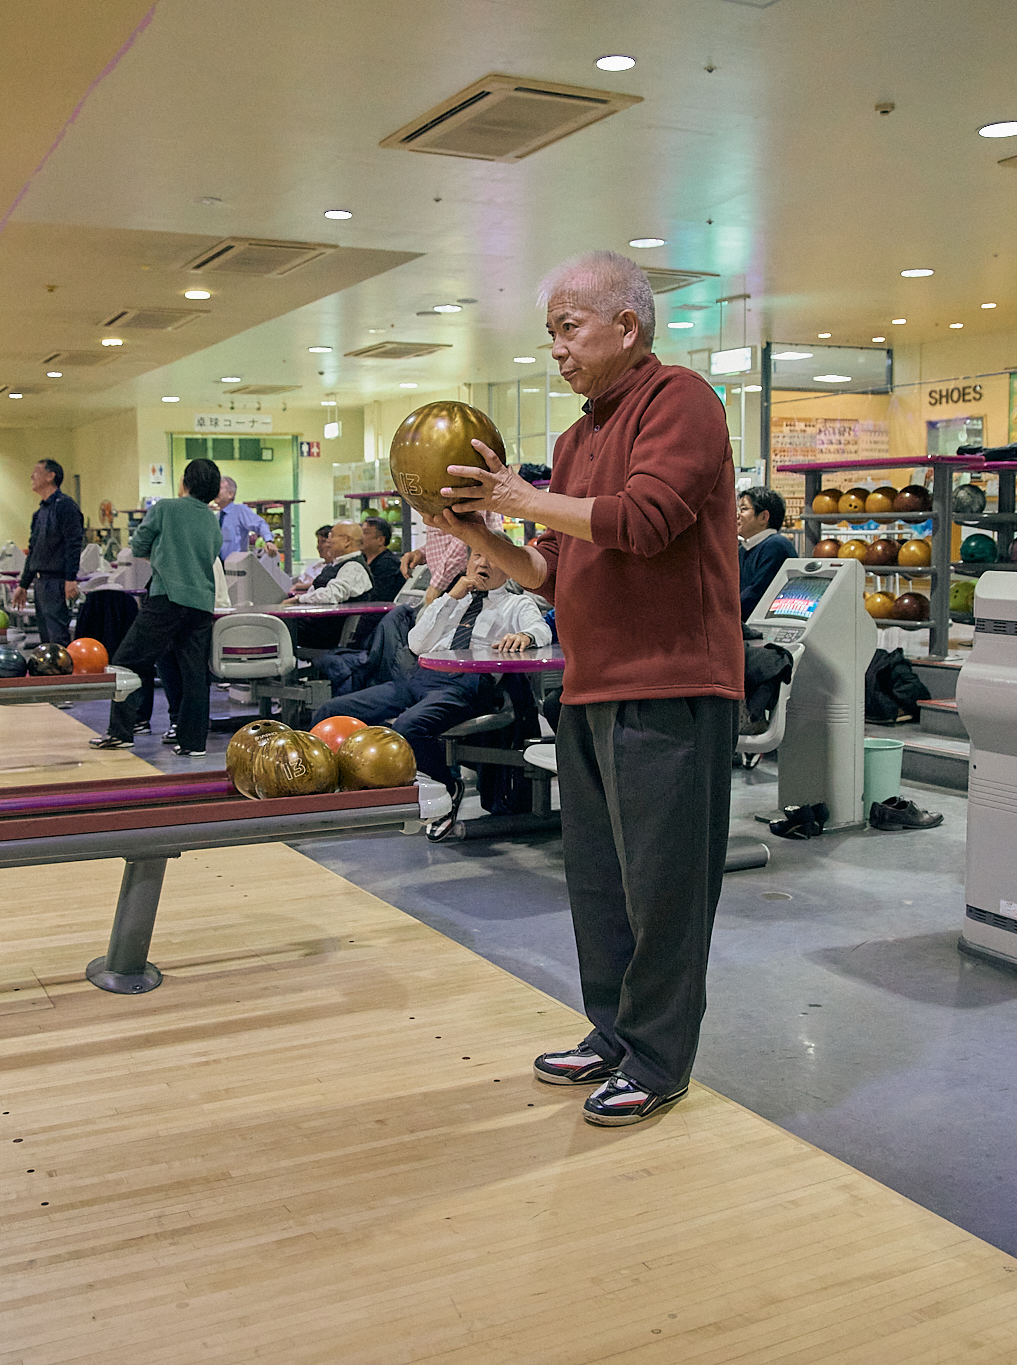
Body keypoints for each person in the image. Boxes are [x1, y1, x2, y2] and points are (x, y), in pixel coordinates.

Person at [421, 249, 742, 1127]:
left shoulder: (681, 400)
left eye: (569, 328)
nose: (556, 350)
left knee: (665, 888)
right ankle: (614, 1031)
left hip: (675, 684)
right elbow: (551, 574)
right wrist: (475, 529)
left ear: (627, 326)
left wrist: (519, 497)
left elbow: (643, 521)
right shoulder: (574, 437)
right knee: (600, 881)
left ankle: (660, 1058)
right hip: (590, 685)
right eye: (551, 334)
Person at [310, 550, 549, 784]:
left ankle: (444, 788)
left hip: (464, 685)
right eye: (477, 556)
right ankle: (323, 785)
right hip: (417, 677)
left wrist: (526, 636)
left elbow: (541, 630)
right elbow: (416, 644)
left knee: (409, 727)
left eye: (493, 557)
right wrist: (449, 599)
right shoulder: (454, 600)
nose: (482, 563)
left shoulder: (516, 604)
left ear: (508, 570)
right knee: (331, 711)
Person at [90, 458, 224, 757]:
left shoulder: (165, 508)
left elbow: (137, 546)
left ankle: (121, 732)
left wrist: (162, 557)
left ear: (185, 482)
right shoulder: (212, 520)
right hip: (202, 604)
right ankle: (193, 743)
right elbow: (212, 554)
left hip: (167, 598)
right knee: (194, 676)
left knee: (126, 661)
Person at [14, 459, 84, 647]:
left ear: (50, 475)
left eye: (36, 471)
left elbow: (73, 543)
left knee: (57, 635)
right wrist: (23, 584)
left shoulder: (65, 506)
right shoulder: (39, 513)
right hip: (40, 581)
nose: (31, 476)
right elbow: (33, 550)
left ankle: (63, 674)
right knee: (45, 636)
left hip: (57, 581)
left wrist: (70, 578)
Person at [737, 487, 795, 622]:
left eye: (744, 509)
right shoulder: (743, 549)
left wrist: (723, 613)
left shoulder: (776, 546)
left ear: (764, 517)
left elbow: (756, 594)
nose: (737, 515)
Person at [214, 477, 270, 558]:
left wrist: (269, 541)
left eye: (219, 488)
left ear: (230, 494)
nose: (215, 492)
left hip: (236, 565)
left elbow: (260, 524)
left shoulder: (240, 511)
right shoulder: (216, 517)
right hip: (218, 566)